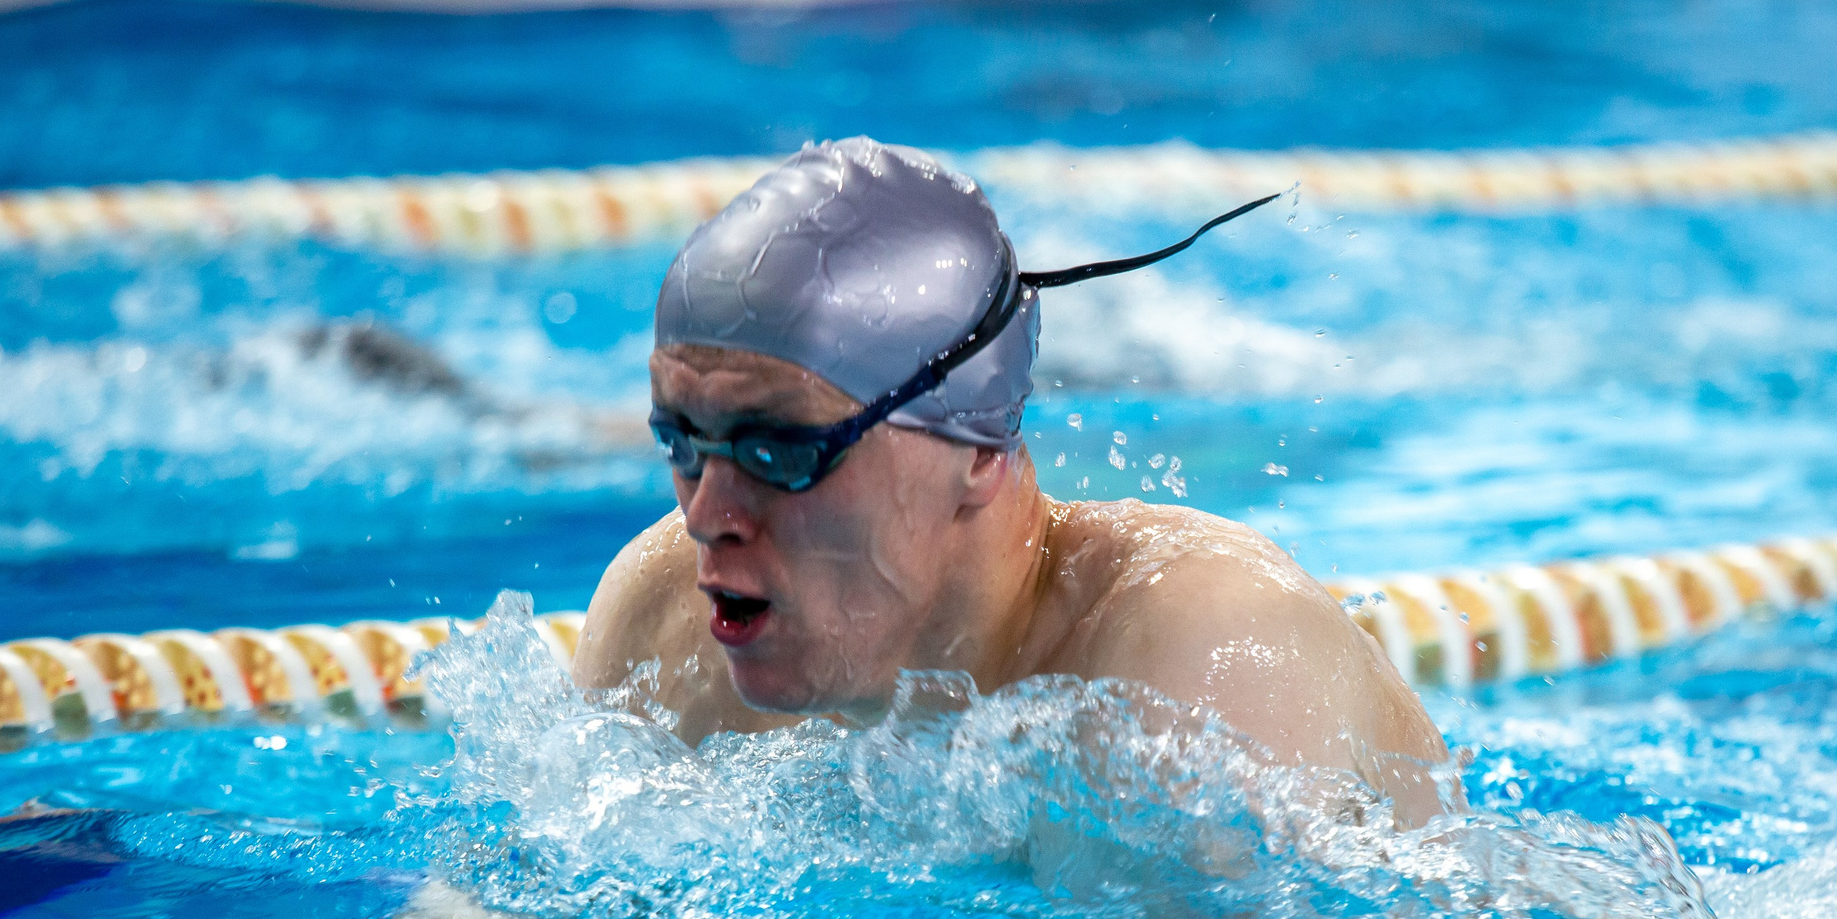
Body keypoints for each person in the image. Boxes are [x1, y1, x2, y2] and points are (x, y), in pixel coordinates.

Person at [571, 136, 1445, 804]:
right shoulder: (662, 621)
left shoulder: (1199, 658)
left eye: (780, 452)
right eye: (684, 441)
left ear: (979, 450)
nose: (707, 513)